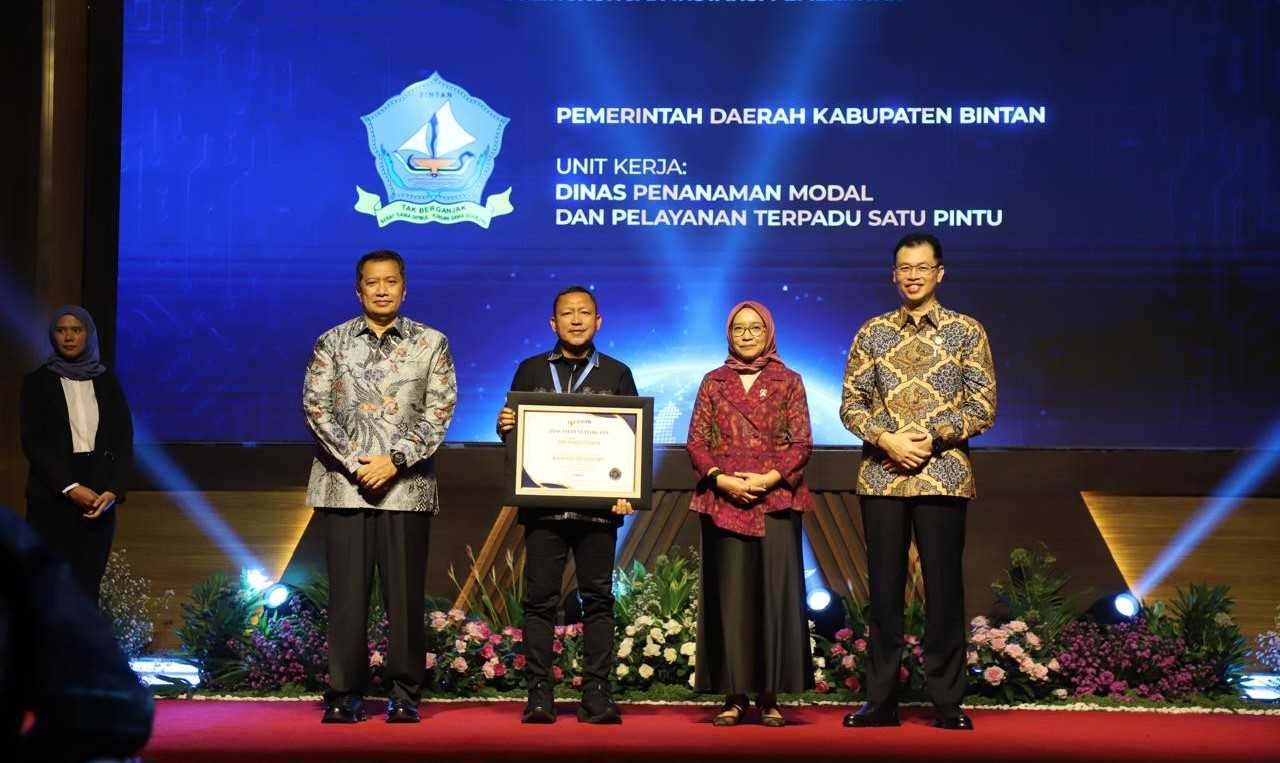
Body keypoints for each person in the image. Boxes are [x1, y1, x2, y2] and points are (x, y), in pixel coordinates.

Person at [839, 233, 996, 731]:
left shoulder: (966, 332)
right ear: (894, 274)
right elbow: (850, 405)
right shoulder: (872, 332)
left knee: (943, 590)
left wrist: (932, 437)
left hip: (943, 475)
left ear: (939, 273)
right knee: (884, 593)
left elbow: (983, 406)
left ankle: (947, 702)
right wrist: (887, 440)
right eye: (904, 268)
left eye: (922, 267)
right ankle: (880, 702)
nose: (913, 276)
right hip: (882, 477)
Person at [303, 249, 457, 724]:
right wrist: (358, 463)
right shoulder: (331, 342)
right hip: (343, 486)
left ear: (404, 289)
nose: (382, 290)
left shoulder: (432, 342)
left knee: (404, 599)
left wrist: (395, 461)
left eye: (391, 282)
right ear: (359, 290)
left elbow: (439, 411)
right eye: (373, 283)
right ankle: (345, 693)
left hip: (406, 489)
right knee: (347, 598)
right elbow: (316, 408)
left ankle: (405, 693)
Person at [495, 285, 636, 724]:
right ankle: (539, 694)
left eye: (585, 312)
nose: (576, 320)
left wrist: (628, 491)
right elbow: (515, 437)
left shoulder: (618, 373)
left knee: (598, 600)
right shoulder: (530, 369)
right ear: (553, 323)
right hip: (544, 509)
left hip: (598, 511)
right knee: (539, 601)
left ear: (599, 321)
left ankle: (596, 693)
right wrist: (505, 425)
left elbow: (631, 439)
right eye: (567, 313)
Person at [685, 300, 814, 728]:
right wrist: (722, 479)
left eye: (755, 327)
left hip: (775, 501)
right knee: (731, 601)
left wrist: (767, 480)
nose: (746, 335)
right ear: (728, 334)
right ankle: (734, 696)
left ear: (768, 332)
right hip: (723, 500)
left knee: (773, 600)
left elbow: (802, 443)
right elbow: (696, 442)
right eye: (738, 328)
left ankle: (770, 696)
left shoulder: (789, 381)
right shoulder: (713, 381)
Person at [20, 305, 133, 602]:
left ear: (88, 334)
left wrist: (113, 491)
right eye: (61, 330)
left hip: (99, 499)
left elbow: (123, 440)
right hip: (52, 496)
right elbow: (34, 443)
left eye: (76, 330)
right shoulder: (37, 382)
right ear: (52, 336)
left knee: (87, 589)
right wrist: (70, 487)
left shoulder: (107, 381)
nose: (68, 337)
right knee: (48, 589)